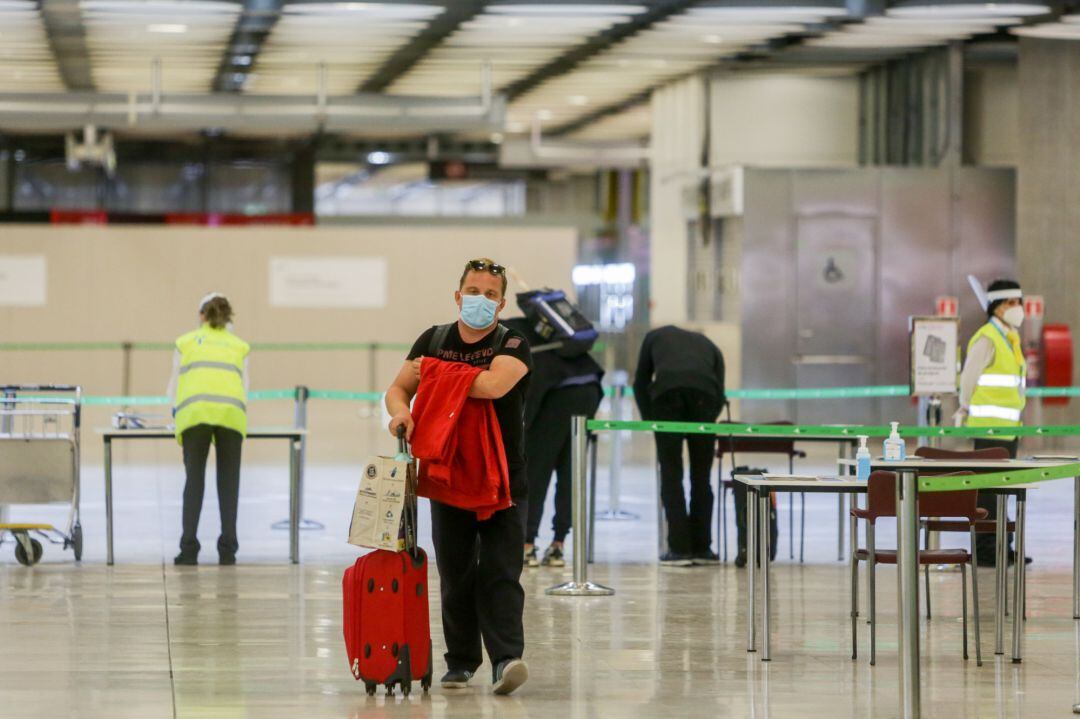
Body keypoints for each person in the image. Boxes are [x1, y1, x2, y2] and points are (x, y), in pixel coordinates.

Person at [385, 258, 532, 696]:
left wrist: (431, 372)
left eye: (490, 294)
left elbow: (492, 386)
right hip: (446, 476)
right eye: (473, 291)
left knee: (501, 572)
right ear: (457, 295)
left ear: (502, 303)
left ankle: (506, 659)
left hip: (503, 479)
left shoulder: (514, 343)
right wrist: (399, 414)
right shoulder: (434, 338)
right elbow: (397, 389)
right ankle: (462, 661)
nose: (480, 300)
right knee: (455, 572)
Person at [502, 317, 604, 568]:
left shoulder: (510, 335)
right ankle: (559, 544)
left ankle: (527, 544)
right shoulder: (551, 330)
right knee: (571, 470)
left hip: (556, 395)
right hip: (589, 389)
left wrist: (524, 427)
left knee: (535, 470)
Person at [167, 293, 250, 566]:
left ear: (201, 315)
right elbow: (245, 386)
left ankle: (188, 548)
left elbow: (174, 385)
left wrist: (175, 413)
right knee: (229, 483)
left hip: (195, 414)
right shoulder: (239, 346)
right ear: (229, 319)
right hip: (230, 416)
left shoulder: (185, 342)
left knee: (194, 481)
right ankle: (228, 550)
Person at [633, 325, 726, 567]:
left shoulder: (653, 336)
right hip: (705, 396)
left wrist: (651, 422)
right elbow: (720, 388)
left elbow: (640, 382)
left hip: (667, 395)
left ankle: (679, 549)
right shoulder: (706, 341)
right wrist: (709, 417)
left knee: (672, 473)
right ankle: (703, 548)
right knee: (701, 476)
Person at [955, 278, 1028, 566]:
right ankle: (987, 553)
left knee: (1002, 490)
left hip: (1008, 430)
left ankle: (1003, 549)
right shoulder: (987, 337)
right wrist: (963, 407)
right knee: (986, 494)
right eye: (1011, 303)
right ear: (996, 307)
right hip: (988, 429)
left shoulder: (1010, 338)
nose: (1017, 308)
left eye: (1019, 302)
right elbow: (969, 377)